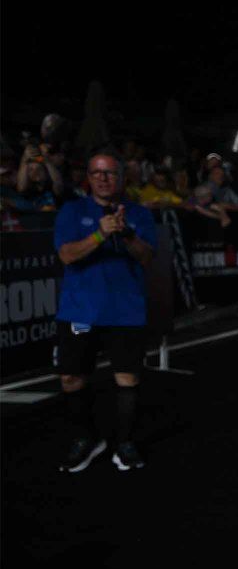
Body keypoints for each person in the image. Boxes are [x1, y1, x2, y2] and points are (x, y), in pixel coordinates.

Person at [54, 153, 157, 472]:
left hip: (125, 310)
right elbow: (67, 255)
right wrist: (100, 233)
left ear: (121, 177)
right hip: (80, 309)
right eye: (97, 172)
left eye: (110, 173)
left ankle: (124, 443)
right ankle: (86, 439)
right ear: (88, 176)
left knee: (127, 379)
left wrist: (125, 234)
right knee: (72, 379)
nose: (103, 178)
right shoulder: (72, 210)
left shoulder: (139, 213)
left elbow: (146, 257)